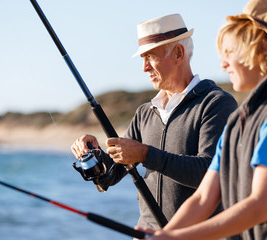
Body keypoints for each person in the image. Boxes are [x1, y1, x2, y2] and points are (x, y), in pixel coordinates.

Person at [137, 0, 267, 239]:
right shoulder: (238, 120)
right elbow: (204, 198)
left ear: (265, 46)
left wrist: (176, 238)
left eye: (230, 52)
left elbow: (260, 206)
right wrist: (164, 235)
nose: (223, 63)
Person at [71, 14, 237, 229]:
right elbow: (111, 175)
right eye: (143, 59)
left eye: (150, 56)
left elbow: (210, 174)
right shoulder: (145, 112)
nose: (144, 67)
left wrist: (146, 154)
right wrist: (92, 155)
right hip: (147, 233)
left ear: (178, 53)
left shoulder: (216, 104)